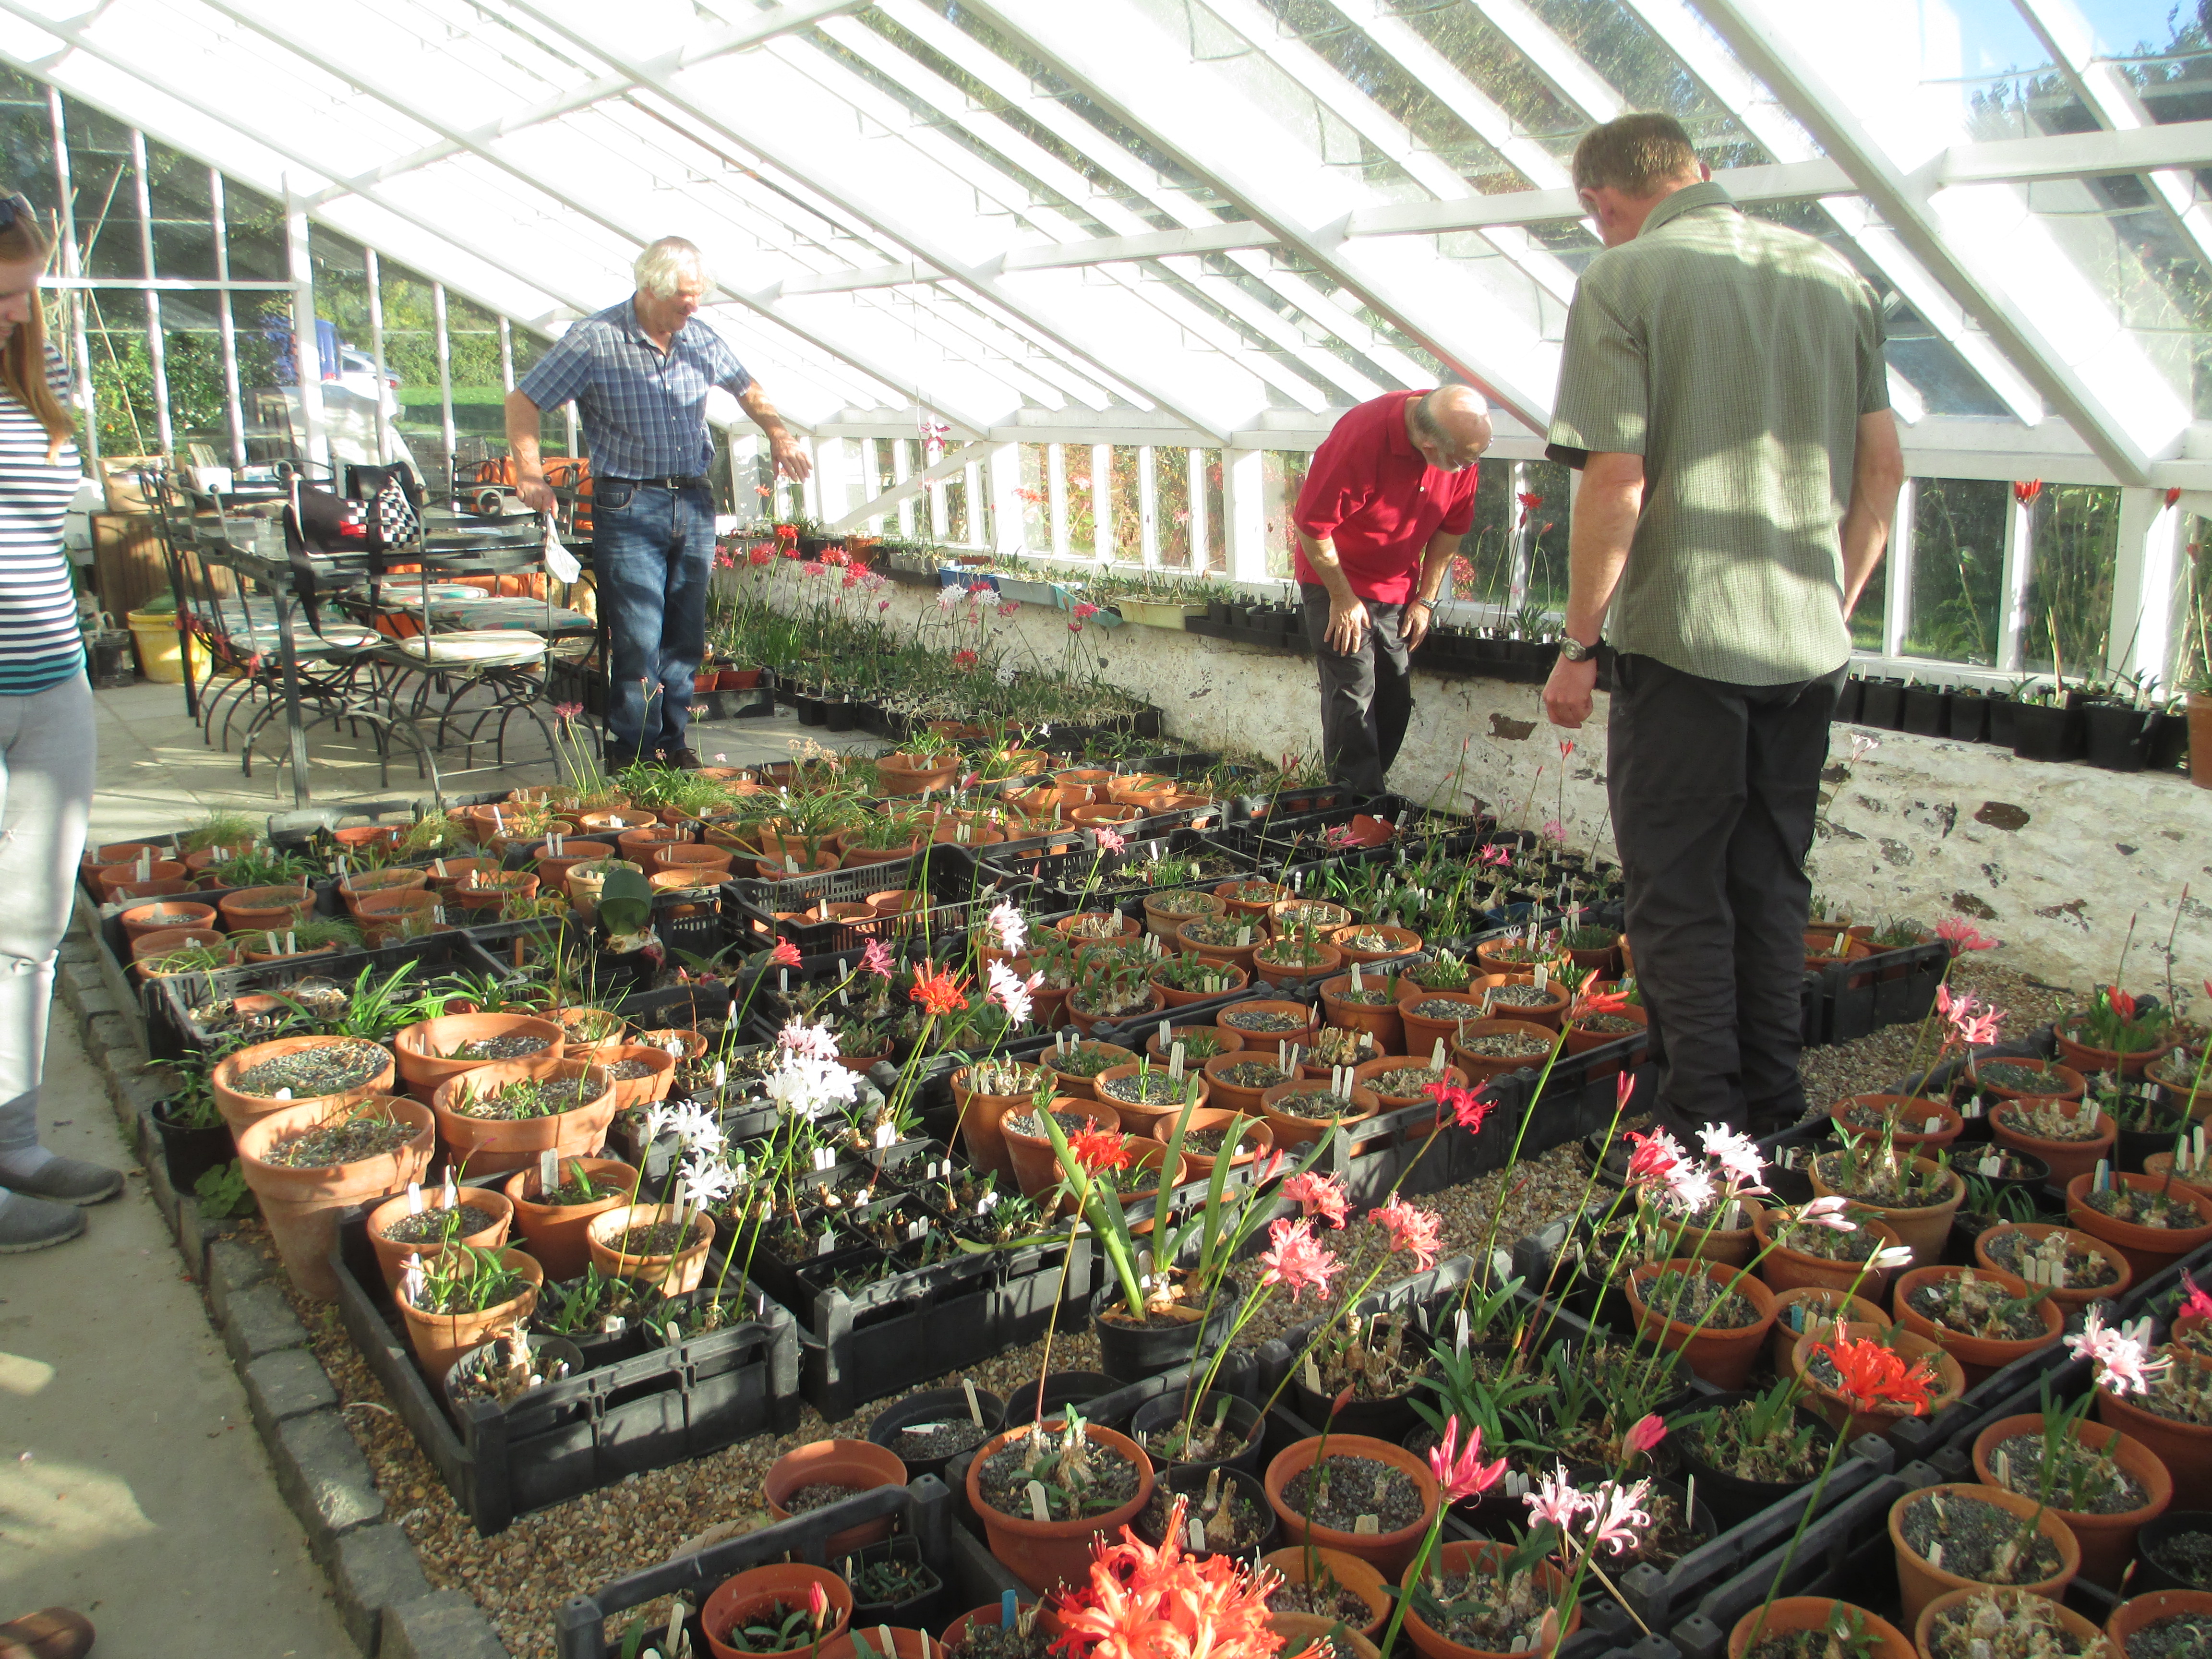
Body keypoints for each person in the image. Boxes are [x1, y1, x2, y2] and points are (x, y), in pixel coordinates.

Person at [1540, 113, 1904, 1136]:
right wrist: (1830, 604)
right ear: (1698, 173)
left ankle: (1702, 1127)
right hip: (1804, 648)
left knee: (1680, 890)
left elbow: (1618, 479)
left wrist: (1578, 644)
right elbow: (1883, 474)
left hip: (1687, 644)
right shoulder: (1837, 278)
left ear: (1603, 203)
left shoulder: (1626, 280)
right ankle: (1775, 1108)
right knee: (1771, 879)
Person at [505, 236, 812, 769]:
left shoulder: (700, 340)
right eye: (683, 298)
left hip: (692, 501)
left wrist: (779, 434)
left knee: (686, 636)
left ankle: (674, 743)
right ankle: (633, 751)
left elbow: (747, 388)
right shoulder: (594, 341)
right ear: (651, 288)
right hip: (629, 505)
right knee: (638, 637)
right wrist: (529, 471)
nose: (692, 307)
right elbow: (523, 400)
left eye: (697, 297)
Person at [0, 195, 116, 1252]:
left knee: (30, 929)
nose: (14, 312)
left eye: (25, 292)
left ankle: (16, 1141)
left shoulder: (40, 379)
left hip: (51, 679)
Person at [1292, 385, 1491, 796]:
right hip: (1334, 581)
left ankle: (1355, 799)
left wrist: (1426, 599)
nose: (1468, 468)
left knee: (1394, 697)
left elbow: (1450, 530)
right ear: (1429, 443)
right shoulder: (1362, 439)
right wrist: (1343, 599)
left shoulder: (1458, 444)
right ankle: (1358, 810)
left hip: (1397, 586)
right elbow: (1312, 526)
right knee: (1355, 694)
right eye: (1462, 460)